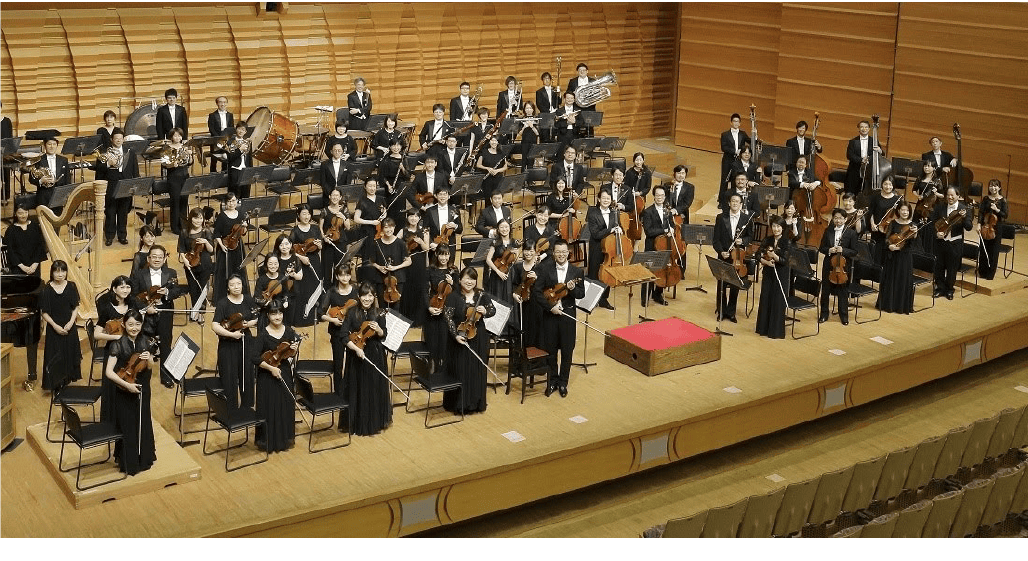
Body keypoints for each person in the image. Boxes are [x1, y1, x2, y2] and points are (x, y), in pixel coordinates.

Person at [104, 308, 157, 474]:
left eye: (138, 324)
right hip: (124, 389)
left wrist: (149, 359)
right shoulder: (118, 344)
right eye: (131, 324)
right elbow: (109, 372)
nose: (134, 328)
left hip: (143, 388)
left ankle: (144, 458)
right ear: (124, 325)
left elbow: (150, 367)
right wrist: (127, 386)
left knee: (143, 421)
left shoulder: (146, 342)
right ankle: (129, 463)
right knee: (128, 425)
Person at [532, 240, 585, 398]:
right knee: (551, 350)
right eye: (558, 252)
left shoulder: (577, 271)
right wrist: (550, 307)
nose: (561, 255)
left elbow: (581, 294)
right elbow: (537, 292)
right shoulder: (545, 269)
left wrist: (572, 289)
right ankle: (552, 381)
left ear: (568, 253)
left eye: (564, 252)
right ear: (553, 253)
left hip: (568, 316)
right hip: (550, 316)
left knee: (567, 350)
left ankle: (563, 383)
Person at [2, 204, 45, 390]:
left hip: (34, 269)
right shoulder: (11, 231)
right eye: (20, 212)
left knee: (33, 298)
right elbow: (11, 251)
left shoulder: (35, 227)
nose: (23, 215)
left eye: (25, 212)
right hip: (18, 270)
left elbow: (39, 246)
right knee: (20, 295)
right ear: (15, 214)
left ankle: (32, 374)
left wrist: (34, 264)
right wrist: (21, 266)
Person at [443, 267, 495, 414]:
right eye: (466, 278)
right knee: (461, 370)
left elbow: (492, 310)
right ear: (460, 280)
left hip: (479, 338)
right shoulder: (453, 296)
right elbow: (448, 318)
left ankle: (476, 403)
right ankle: (459, 404)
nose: (469, 282)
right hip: (460, 338)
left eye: (472, 279)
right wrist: (455, 335)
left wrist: (485, 311)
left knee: (476, 370)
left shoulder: (482, 295)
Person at [343, 282, 391, 436]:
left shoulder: (379, 313)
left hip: (375, 355)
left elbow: (384, 335)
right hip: (356, 354)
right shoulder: (352, 312)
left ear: (374, 297)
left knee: (373, 388)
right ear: (359, 296)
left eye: (370, 295)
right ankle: (358, 423)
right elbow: (344, 336)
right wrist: (357, 349)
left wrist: (379, 330)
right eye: (364, 295)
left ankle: (374, 422)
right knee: (358, 388)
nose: (367, 299)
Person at [131, 245, 181, 387]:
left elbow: (177, 291)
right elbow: (133, 296)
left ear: (164, 259)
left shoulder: (171, 272)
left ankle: (165, 376)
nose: (157, 260)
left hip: (165, 311)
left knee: (165, 343)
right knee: (143, 343)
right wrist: (146, 308)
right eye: (154, 257)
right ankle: (140, 373)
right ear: (148, 258)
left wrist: (167, 293)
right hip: (146, 315)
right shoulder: (139, 274)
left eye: (160, 257)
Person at [253, 302, 300, 452]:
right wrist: (271, 368)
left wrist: (294, 350)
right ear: (268, 315)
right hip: (267, 376)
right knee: (269, 407)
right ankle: (268, 441)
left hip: (283, 371)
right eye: (274, 314)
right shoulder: (263, 335)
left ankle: (283, 439)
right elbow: (254, 358)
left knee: (284, 405)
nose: (277, 317)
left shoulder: (289, 331)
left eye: (280, 313)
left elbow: (290, 355)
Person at [211, 274, 258, 409]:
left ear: (242, 285)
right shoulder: (223, 303)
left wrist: (249, 324)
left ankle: (247, 407)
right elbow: (215, 325)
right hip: (228, 344)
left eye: (238, 284)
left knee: (247, 375)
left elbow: (255, 317)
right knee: (229, 376)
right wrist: (231, 335)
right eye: (232, 285)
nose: (236, 287)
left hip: (245, 341)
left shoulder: (248, 300)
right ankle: (230, 409)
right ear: (228, 288)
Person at [319, 263, 357, 417]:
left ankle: (351, 391)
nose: (345, 278)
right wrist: (332, 320)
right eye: (342, 275)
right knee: (338, 363)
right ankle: (338, 394)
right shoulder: (331, 292)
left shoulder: (355, 291)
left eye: (347, 274)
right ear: (337, 276)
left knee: (353, 363)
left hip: (353, 332)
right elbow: (321, 313)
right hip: (336, 331)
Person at [94, 276, 134, 421]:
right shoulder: (107, 309)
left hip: (130, 353)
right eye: (122, 287)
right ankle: (110, 422)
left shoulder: (133, 305)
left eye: (128, 287)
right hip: (113, 352)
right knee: (112, 388)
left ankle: (126, 420)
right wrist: (117, 337)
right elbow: (97, 334)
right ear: (114, 289)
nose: (125, 290)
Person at [39, 260, 82, 391]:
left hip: (69, 326)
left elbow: (75, 307)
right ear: (52, 273)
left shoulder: (71, 286)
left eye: (63, 271)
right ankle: (56, 385)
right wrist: (55, 326)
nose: (60, 274)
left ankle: (66, 381)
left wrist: (71, 323)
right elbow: (44, 312)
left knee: (69, 354)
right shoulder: (47, 289)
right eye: (57, 271)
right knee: (55, 356)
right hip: (54, 328)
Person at [712, 193, 754, 323]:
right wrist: (721, 251)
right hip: (724, 255)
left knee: (735, 285)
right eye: (733, 201)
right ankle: (721, 311)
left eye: (737, 201)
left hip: (738, 257)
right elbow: (716, 239)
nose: (735, 203)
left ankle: (731, 313)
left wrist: (743, 241)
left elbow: (750, 237)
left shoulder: (746, 219)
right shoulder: (720, 217)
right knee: (722, 284)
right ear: (729, 203)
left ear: (741, 204)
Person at [96, 128, 139, 246]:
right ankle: (109, 236)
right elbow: (98, 169)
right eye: (116, 138)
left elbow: (135, 169)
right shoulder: (105, 152)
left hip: (125, 183)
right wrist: (108, 164)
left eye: (120, 138)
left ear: (123, 139)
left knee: (123, 211)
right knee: (110, 211)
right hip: (111, 184)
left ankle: (122, 236)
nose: (118, 140)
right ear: (112, 139)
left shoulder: (130, 151)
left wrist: (135, 183)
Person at [931, 186, 972, 300]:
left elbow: (969, 227)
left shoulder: (964, 209)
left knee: (952, 268)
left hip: (955, 243)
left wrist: (964, 218)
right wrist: (936, 233)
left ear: (958, 196)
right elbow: (933, 223)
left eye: (952, 195)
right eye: (948, 195)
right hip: (941, 242)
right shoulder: (940, 207)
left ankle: (949, 290)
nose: (950, 197)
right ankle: (939, 288)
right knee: (939, 267)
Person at [818, 209, 859, 325]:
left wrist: (843, 250)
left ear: (845, 219)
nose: (838, 220)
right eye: (836, 218)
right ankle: (824, 314)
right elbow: (821, 248)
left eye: (841, 218)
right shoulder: (828, 231)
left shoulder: (851, 233)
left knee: (842, 291)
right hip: (829, 264)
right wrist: (829, 250)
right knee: (825, 290)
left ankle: (844, 316)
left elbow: (855, 251)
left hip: (843, 266)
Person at [755, 215, 791, 339]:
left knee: (777, 302)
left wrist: (774, 256)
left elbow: (785, 260)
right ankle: (763, 329)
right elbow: (758, 255)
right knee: (766, 299)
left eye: (778, 226)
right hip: (768, 274)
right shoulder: (767, 239)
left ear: (783, 228)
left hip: (781, 276)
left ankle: (775, 331)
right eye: (774, 226)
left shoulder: (787, 242)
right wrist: (765, 262)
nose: (776, 229)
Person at [877, 202, 917, 314]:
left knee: (903, 280)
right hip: (892, 256)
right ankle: (888, 305)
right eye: (903, 210)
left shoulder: (913, 226)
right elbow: (887, 238)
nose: (905, 212)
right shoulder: (893, 223)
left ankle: (901, 306)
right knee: (890, 279)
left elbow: (913, 245)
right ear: (898, 211)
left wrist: (915, 234)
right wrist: (889, 246)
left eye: (907, 210)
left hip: (905, 257)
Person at [289, 204, 324, 327]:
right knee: (303, 290)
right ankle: (302, 319)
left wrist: (319, 246)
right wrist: (301, 257)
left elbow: (320, 246)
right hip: (301, 262)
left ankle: (315, 316)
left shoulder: (315, 228)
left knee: (315, 287)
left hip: (314, 261)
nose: (307, 216)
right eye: (304, 214)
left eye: (309, 214)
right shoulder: (295, 231)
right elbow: (290, 250)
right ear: (298, 215)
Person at [212, 192, 250, 303]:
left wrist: (245, 227)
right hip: (225, 246)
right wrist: (221, 245)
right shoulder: (221, 216)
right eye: (228, 201)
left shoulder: (241, 214)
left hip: (237, 246)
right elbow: (217, 233)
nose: (231, 203)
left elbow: (243, 233)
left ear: (236, 201)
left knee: (238, 269)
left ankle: (239, 295)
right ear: (225, 203)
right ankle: (224, 297)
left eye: (233, 201)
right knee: (224, 272)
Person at [178, 208, 214, 323]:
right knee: (193, 289)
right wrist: (185, 261)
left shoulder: (206, 231)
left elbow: (211, 250)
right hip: (190, 263)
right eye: (195, 218)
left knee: (203, 289)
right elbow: (181, 249)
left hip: (205, 263)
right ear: (191, 218)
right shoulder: (184, 232)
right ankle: (194, 311)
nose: (198, 221)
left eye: (200, 218)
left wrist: (206, 242)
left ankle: (201, 313)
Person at [585, 189, 620, 310]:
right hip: (597, 247)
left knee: (607, 273)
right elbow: (595, 234)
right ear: (599, 199)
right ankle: (591, 300)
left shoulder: (614, 213)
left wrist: (619, 229)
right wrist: (610, 230)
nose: (606, 200)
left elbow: (618, 226)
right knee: (594, 273)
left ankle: (604, 299)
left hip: (610, 248)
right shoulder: (592, 213)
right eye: (603, 198)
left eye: (608, 198)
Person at [425, 245, 456, 373]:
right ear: (436, 255)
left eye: (446, 254)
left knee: (445, 340)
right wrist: (429, 307)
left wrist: (453, 283)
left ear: (450, 255)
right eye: (441, 254)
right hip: (433, 307)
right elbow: (424, 291)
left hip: (447, 309)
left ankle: (444, 368)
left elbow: (458, 293)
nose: (444, 258)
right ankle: (432, 366)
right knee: (432, 340)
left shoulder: (454, 270)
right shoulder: (430, 270)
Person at [641, 185, 674, 306]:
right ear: (654, 196)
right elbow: (649, 231)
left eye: (662, 195)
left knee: (663, 270)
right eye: (657, 195)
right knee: (649, 272)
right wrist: (664, 231)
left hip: (664, 245)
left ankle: (657, 294)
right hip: (651, 246)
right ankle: (645, 297)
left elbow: (672, 225)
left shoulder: (667, 210)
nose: (660, 197)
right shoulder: (648, 211)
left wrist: (672, 229)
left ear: (665, 197)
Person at [367, 218, 411, 307]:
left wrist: (395, 267)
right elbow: (371, 261)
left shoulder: (400, 243)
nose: (388, 230)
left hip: (397, 279)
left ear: (394, 227)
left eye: (391, 227)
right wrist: (379, 267)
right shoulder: (376, 243)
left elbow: (409, 261)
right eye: (386, 227)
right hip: (381, 279)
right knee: (382, 306)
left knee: (396, 307)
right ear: (382, 229)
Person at [399, 209, 430, 327]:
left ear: (419, 218)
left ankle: (418, 320)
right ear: (407, 217)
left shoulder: (424, 231)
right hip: (407, 263)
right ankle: (406, 319)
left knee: (419, 288)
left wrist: (421, 242)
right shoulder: (403, 231)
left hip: (419, 263)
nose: (413, 218)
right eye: (411, 216)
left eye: (416, 216)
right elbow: (395, 243)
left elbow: (427, 249)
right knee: (407, 289)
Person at [161, 127, 193, 235]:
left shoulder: (184, 147)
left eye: (179, 135)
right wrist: (172, 165)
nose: (178, 137)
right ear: (171, 137)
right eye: (175, 135)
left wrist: (190, 155)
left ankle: (183, 225)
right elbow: (164, 164)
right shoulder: (167, 148)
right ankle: (175, 227)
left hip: (185, 176)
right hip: (174, 178)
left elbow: (189, 163)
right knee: (175, 201)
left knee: (184, 201)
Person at [510, 243, 542, 348]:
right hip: (523, 302)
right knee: (524, 328)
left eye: (531, 251)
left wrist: (537, 278)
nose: (528, 253)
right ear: (523, 251)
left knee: (536, 329)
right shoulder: (518, 266)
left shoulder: (540, 267)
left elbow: (545, 285)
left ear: (536, 252)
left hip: (537, 302)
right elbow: (515, 284)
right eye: (526, 250)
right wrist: (514, 294)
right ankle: (525, 352)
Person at [253, 254, 295, 333]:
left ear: (278, 264)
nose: (273, 266)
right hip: (266, 311)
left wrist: (285, 300)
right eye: (270, 264)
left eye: (276, 263)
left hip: (279, 309)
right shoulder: (261, 280)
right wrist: (266, 303)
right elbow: (256, 298)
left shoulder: (282, 277)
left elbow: (286, 293)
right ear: (266, 264)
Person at [29, 137, 70, 213]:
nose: (52, 146)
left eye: (54, 144)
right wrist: (41, 181)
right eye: (49, 144)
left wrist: (66, 195)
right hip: (43, 195)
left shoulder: (63, 160)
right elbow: (31, 179)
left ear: (57, 146)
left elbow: (67, 179)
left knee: (58, 217)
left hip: (58, 195)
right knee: (44, 217)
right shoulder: (38, 160)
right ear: (45, 146)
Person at [978, 179, 1008, 281]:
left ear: (999, 188)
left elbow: (1005, 215)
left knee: (993, 252)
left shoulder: (1003, 200)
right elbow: (981, 212)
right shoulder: (986, 199)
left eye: (995, 186)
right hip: (985, 226)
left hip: (996, 228)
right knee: (983, 250)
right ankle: (982, 272)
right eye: (991, 185)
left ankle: (990, 274)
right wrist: (979, 224)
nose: (993, 188)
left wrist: (996, 210)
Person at [353, 178, 386, 266]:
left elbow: (384, 212)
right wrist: (371, 222)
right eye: (370, 186)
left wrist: (384, 215)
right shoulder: (362, 201)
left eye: (374, 186)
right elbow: (356, 219)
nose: (372, 188)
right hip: (367, 232)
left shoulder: (381, 199)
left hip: (380, 231)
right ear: (365, 187)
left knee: (380, 256)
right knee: (367, 257)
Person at [271, 234, 304, 325]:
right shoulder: (275, 259)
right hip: (277, 291)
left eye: (286, 244)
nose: (284, 247)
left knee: (289, 319)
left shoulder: (295, 258)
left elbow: (300, 276)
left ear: (291, 244)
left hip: (292, 292)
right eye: (281, 245)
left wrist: (294, 275)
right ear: (278, 246)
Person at [321, 187, 352, 283]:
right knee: (327, 268)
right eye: (333, 195)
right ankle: (326, 288)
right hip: (328, 242)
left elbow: (348, 227)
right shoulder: (325, 210)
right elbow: (320, 228)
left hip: (341, 241)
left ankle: (337, 287)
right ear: (329, 196)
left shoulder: (344, 210)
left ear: (340, 197)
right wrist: (324, 237)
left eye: (337, 195)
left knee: (339, 267)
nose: (335, 197)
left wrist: (343, 217)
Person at [845, 120, 883, 196]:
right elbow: (849, 155)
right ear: (858, 129)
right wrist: (861, 160)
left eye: (866, 127)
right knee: (853, 191)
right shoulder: (853, 141)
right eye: (862, 127)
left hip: (869, 170)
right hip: (855, 170)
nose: (864, 129)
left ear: (869, 129)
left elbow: (881, 155)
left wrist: (880, 150)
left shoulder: (874, 141)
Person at [484, 219, 519, 302]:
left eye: (506, 227)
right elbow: (488, 259)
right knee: (498, 298)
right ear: (498, 229)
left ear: (510, 228)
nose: (504, 229)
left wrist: (516, 253)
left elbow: (515, 261)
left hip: (509, 274)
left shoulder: (514, 242)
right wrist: (498, 272)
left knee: (509, 297)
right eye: (502, 227)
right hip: (497, 273)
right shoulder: (495, 242)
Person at [378, 139, 411, 223]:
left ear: (401, 146)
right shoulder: (386, 159)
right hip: (389, 185)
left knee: (400, 208)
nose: (396, 148)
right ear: (390, 147)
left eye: (398, 145)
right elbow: (382, 175)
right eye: (393, 145)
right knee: (390, 207)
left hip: (400, 186)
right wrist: (388, 186)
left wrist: (402, 168)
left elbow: (408, 175)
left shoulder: (404, 158)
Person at [869, 176, 900, 265]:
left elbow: (898, 217)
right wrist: (872, 224)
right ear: (882, 184)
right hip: (877, 229)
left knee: (887, 256)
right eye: (885, 184)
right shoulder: (876, 197)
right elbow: (871, 212)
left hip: (889, 231)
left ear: (893, 186)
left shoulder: (897, 200)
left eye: (890, 184)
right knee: (876, 254)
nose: (888, 187)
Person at [424, 187, 462, 257]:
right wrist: (430, 243)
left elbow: (460, 229)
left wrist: (455, 226)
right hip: (434, 245)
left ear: (449, 196)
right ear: (436, 196)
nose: (442, 197)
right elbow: (425, 229)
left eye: (445, 194)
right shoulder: (429, 211)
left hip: (450, 246)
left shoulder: (455, 210)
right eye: (440, 194)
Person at [475, 134, 508, 203]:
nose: (494, 142)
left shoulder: (501, 153)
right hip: (487, 179)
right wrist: (487, 168)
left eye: (496, 141)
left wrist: (497, 170)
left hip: (498, 179)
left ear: (498, 142)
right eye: (492, 140)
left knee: (497, 198)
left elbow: (505, 167)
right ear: (489, 142)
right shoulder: (484, 152)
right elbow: (478, 165)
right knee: (488, 198)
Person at [719, 113, 749, 187]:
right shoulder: (725, 134)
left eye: (737, 121)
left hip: (738, 161)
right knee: (724, 181)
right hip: (727, 160)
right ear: (731, 122)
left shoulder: (743, 134)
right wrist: (735, 151)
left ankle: (733, 194)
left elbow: (750, 141)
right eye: (734, 121)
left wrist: (755, 136)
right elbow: (723, 148)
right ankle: (722, 195)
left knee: (735, 180)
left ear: (739, 123)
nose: (736, 123)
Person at [225, 122, 253, 199]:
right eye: (239, 129)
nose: (241, 131)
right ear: (236, 129)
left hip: (245, 171)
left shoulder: (247, 142)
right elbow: (230, 158)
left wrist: (250, 171)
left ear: (245, 132)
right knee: (234, 195)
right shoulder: (230, 142)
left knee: (245, 195)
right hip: (235, 171)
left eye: (243, 130)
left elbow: (250, 158)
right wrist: (240, 150)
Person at [207, 96, 234, 172]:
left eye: (224, 102)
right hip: (216, 139)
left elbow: (231, 127)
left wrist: (227, 138)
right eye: (220, 102)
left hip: (226, 139)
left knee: (225, 157)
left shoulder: (230, 115)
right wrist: (218, 138)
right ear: (217, 104)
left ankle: (224, 173)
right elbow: (211, 128)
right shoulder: (212, 115)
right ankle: (213, 173)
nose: (223, 104)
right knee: (214, 158)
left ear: (227, 103)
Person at [0, 99, 12, 205]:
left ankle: (5, 197)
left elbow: (10, 138)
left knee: (6, 176)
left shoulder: (7, 121)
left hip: (5, 154)